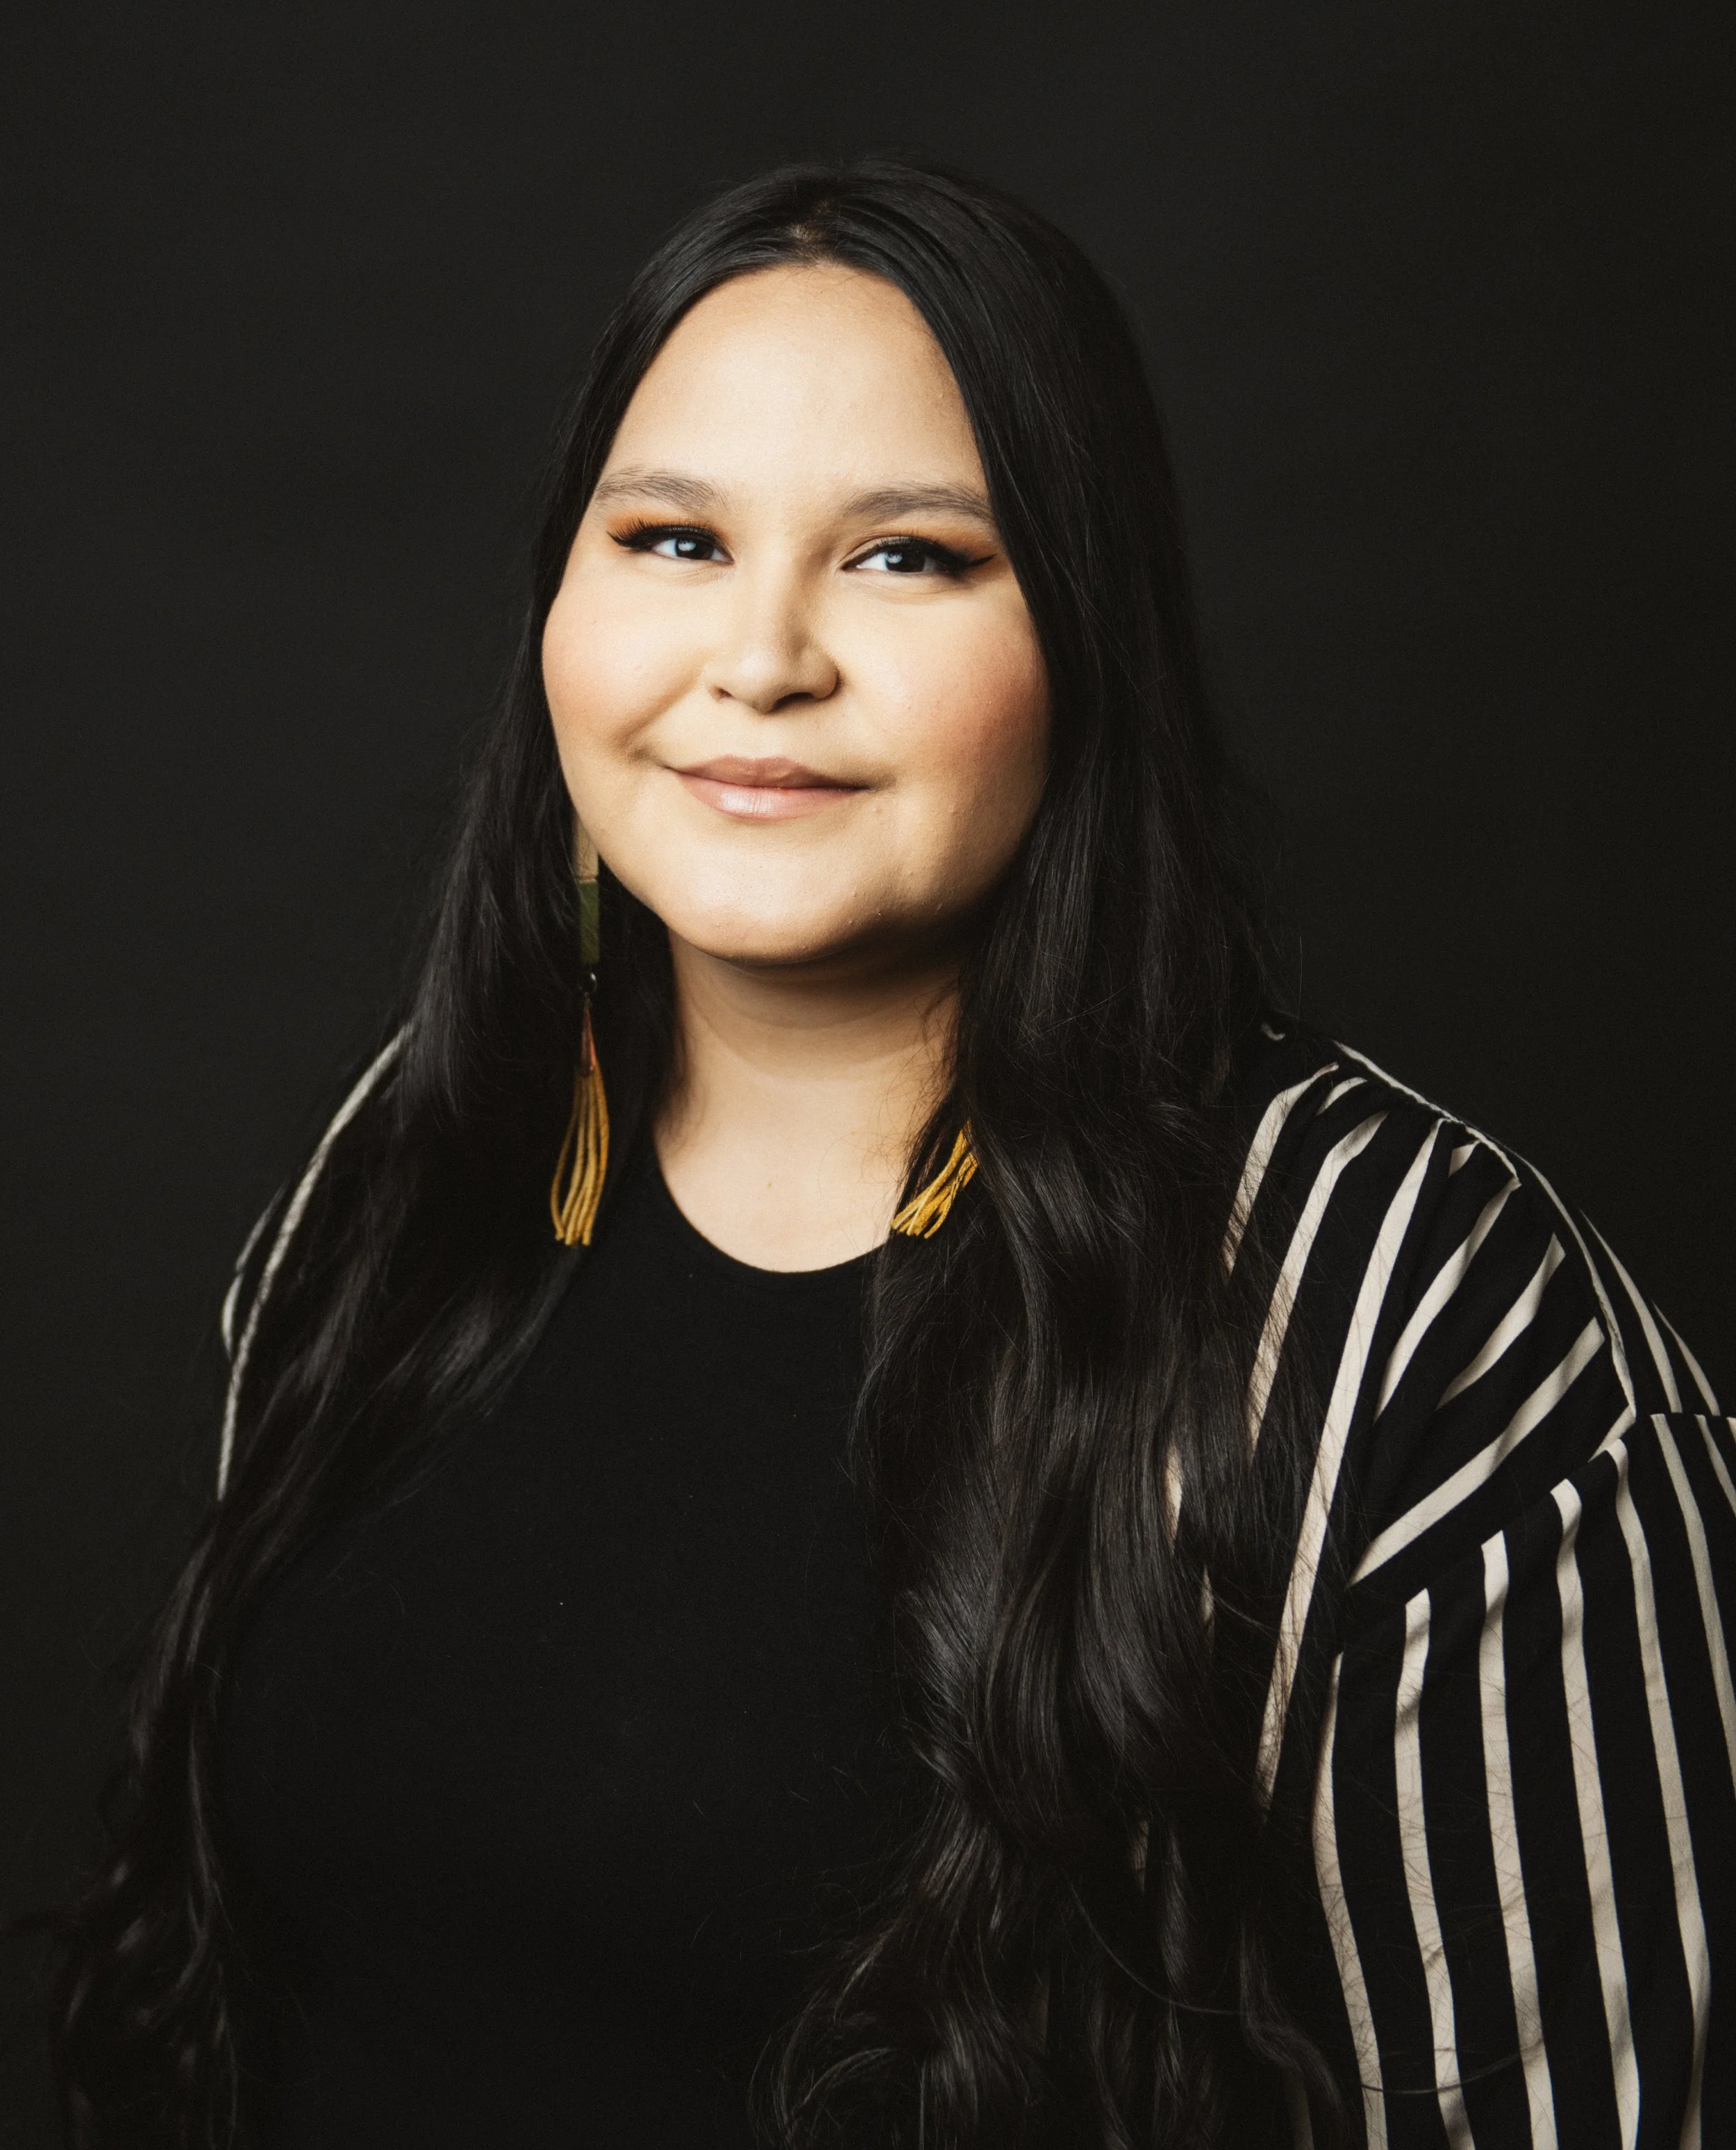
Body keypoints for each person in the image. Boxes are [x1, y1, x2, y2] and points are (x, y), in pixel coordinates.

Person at [53, 160, 1735, 2148]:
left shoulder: (1413, 1311)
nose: (758, 659)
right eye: (671, 537)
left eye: (909, 557)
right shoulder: (409, 1167)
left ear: (1083, 634)